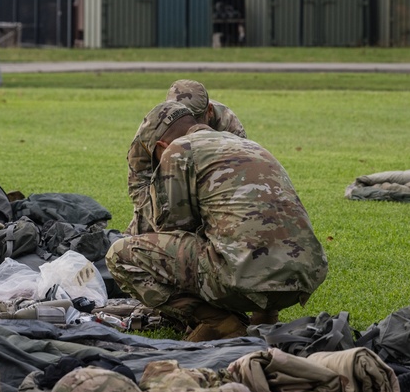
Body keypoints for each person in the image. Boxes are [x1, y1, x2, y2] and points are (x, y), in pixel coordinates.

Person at [108, 101, 328, 341]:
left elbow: (173, 228)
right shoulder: (249, 144)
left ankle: (220, 323)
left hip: (245, 279)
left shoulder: (178, 149)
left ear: (162, 146)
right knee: (247, 233)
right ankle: (265, 317)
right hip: (304, 276)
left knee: (119, 255)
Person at [125, 80, 246, 235]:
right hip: (168, 175)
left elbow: (234, 184)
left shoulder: (228, 126)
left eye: (193, 118)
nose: (187, 125)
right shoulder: (156, 125)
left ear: (209, 111)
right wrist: (159, 221)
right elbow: (139, 180)